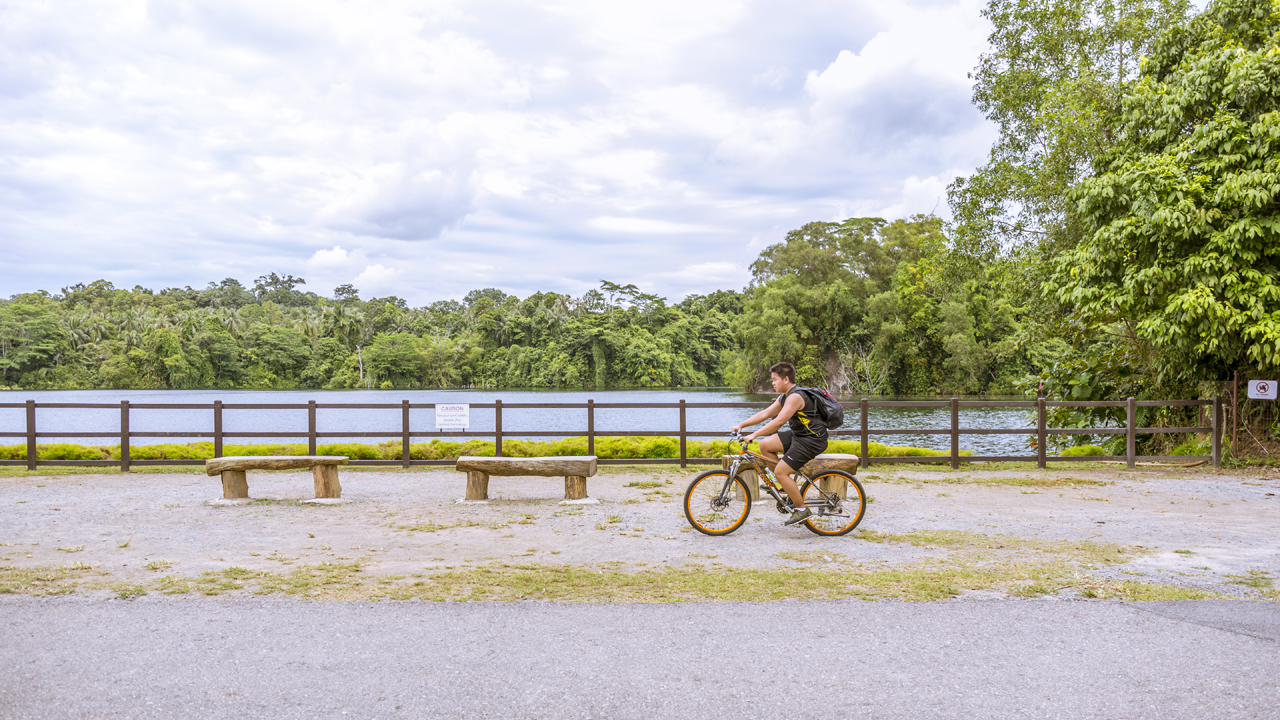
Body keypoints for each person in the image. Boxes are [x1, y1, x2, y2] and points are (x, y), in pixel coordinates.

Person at [730, 361, 828, 526]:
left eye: (775, 379)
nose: (773, 383)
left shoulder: (796, 397)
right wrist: (742, 425)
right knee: (765, 445)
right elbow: (766, 413)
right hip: (799, 435)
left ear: (786, 379)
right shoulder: (785, 396)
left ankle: (802, 510)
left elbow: (778, 422)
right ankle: (781, 485)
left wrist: (754, 434)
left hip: (812, 440)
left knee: (781, 471)